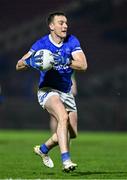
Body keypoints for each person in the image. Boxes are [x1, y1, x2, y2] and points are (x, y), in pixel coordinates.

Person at [16, 12, 87, 172]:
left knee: (73, 133)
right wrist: (29, 62)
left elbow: (83, 65)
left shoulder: (72, 41)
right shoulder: (41, 44)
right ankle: (66, 160)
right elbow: (18, 65)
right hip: (47, 90)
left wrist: (67, 60)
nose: (65, 26)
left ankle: (43, 149)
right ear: (51, 26)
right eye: (61, 23)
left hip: (66, 91)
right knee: (62, 117)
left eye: (66, 23)